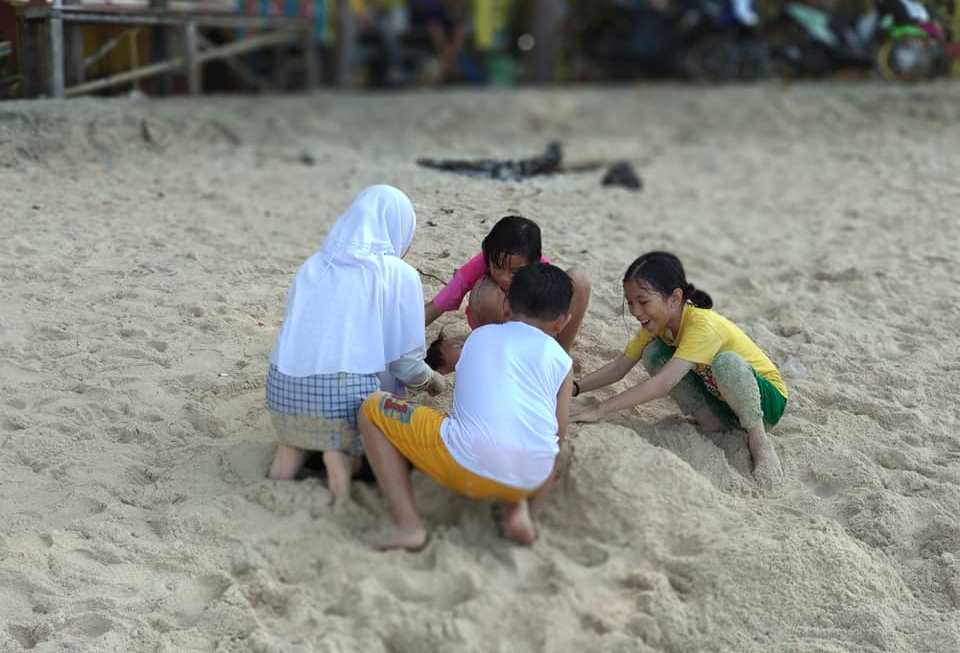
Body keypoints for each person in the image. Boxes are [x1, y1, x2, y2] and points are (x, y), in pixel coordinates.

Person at [358, 263, 575, 551]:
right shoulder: (562, 361)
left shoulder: (480, 337)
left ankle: (408, 525)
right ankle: (520, 512)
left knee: (372, 407)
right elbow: (560, 434)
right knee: (545, 444)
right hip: (531, 478)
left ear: (506, 305)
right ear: (562, 321)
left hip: (464, 465)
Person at [265, 185, 445, 502]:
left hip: (281, 392)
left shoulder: (314, 265)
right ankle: (342, 482)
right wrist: (432, 380)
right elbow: (405, 365)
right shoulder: (399, 275)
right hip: (341, 398)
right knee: (351, 445)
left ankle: (282, 472)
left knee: (295, 441)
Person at [570, 251, 786, 489]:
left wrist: (601, 409)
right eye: (630, 303)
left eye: (643, 302)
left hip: (764, 403)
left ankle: (758, 441)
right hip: (722, 399)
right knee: (654, 352)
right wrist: (574, 388)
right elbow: (620, 366)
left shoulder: (701, 324)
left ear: (674, 298)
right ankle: (712, 423)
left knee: (727, 363)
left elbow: (663, 383)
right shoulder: (657, 326)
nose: (635, 312)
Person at [424, 215, 591, 371]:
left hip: (534, 331)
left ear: (535, 263)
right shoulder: (482, 262)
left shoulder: (542, 273)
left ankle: (559, 361)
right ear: (488, 257)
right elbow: (437, 305)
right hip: (495, 332)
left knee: (579, 281)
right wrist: (403, 334)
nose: (504, 277)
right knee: (486, 295)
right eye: (497, 268)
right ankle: (496, 355)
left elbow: (553, 313)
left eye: (515, 272)